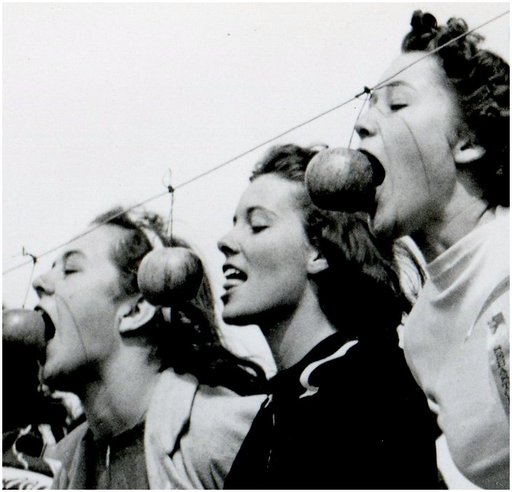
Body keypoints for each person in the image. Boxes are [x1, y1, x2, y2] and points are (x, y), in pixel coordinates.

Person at [218, 144, 439, 489]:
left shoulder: (372, 386)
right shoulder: (276, 409)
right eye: (234, 224)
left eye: (257, 225)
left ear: (319, 250)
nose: (225, 241)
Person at [350, 11, 509, 489]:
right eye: (368, 106)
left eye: (397, 104)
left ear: (468, 140)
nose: (362, 125)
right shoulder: (418, 337)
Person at [34, 207, 266, 489]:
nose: (39, 282)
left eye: (70, 270)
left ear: (136, 310)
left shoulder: (230, 433)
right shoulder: (60, 465)